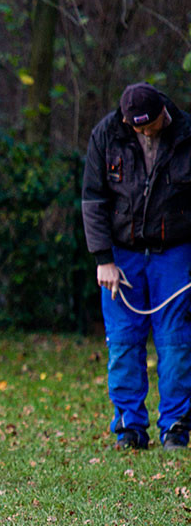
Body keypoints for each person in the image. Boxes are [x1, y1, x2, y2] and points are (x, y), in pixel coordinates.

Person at [81, 82, 191, 451]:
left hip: (174, 252)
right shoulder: (107, 135)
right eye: (136, 127)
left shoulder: (186, 134)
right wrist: (103, 259)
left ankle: (176, 425)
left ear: (163, 111)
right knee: (124, 344)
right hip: (121, 255)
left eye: (149, 125)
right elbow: (93, 199)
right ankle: (130, 427)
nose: (143, 132)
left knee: (176, 343)